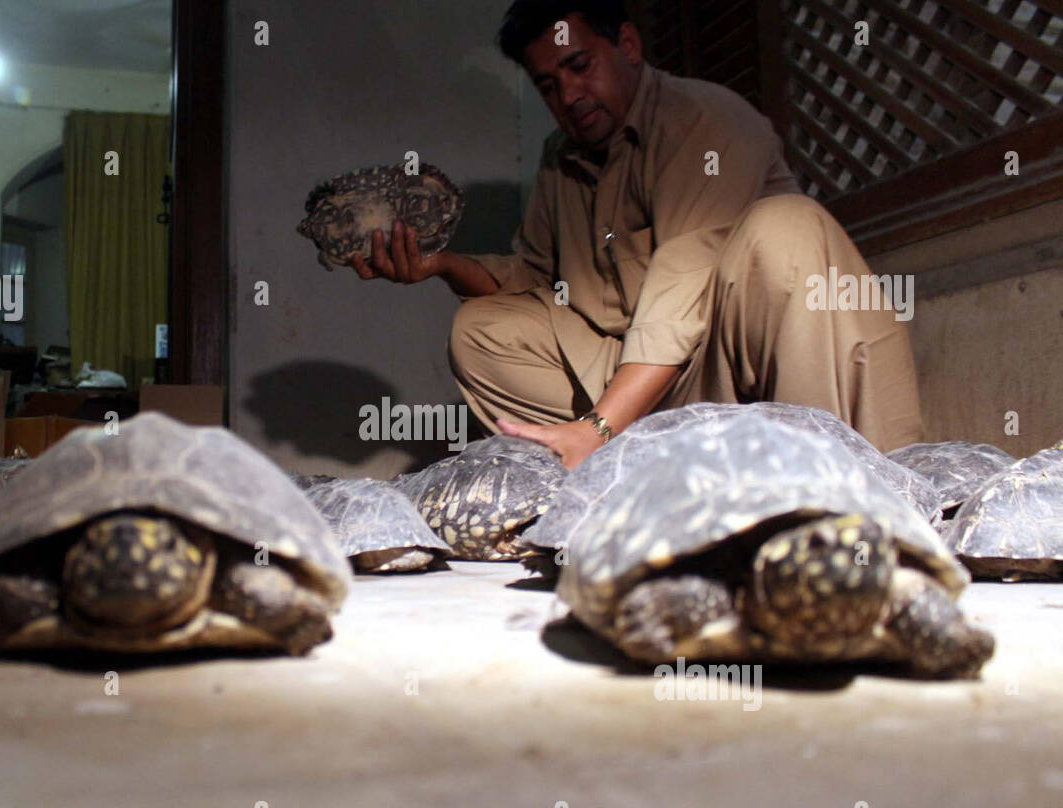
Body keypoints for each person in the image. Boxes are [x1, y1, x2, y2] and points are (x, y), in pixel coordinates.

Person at [351, 0, 924, 468]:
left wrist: (598, 427)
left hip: (737, 369)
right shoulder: (560, 159)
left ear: (627, 45)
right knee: (481, 329)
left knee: (788, 226)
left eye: (580, 66)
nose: (569, 96)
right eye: (548, 85)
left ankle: (814, 486)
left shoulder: (705, 120)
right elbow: (530, 276)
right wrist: (441, 265)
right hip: (649, 383)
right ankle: (645, 471)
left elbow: (681, 290)